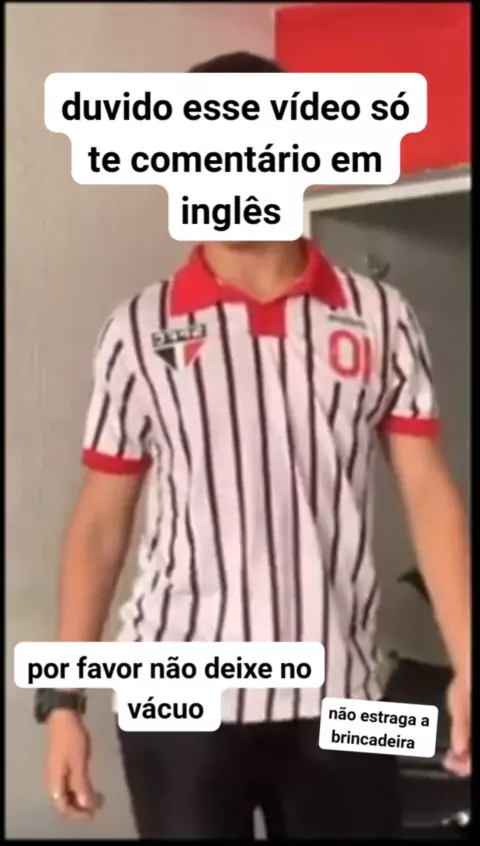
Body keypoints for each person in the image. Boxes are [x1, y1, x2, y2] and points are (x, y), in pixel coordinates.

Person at [39, 52, 471, 839]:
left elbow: (428, 493)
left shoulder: (382, 316)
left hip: (343, 694)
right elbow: (101, 524)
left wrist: (470, 662)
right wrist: (62, 702)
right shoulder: (137, 330)